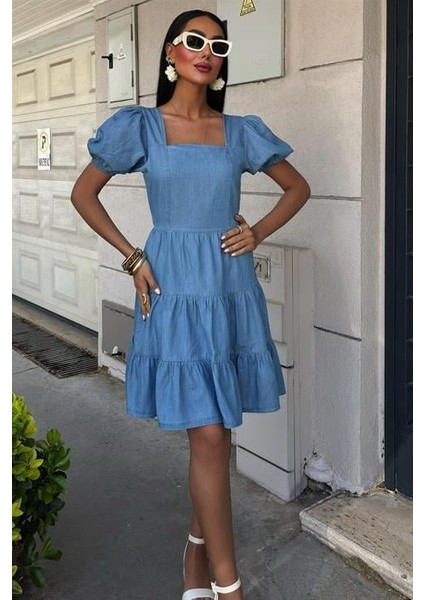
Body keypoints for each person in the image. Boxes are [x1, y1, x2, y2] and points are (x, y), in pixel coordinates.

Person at [71, 9, 310, 600]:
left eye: (218, 45)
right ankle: (231, 588)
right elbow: (84, 194)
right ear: (171, 53)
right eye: (195, 40)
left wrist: (257, 232)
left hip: (227, 290)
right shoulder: (142, 127)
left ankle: (196, 553)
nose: (207, 51)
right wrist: (132, 257)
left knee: (216, 433)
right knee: (207, 435)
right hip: (174, 291)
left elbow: (297, 187)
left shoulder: (242, 131)